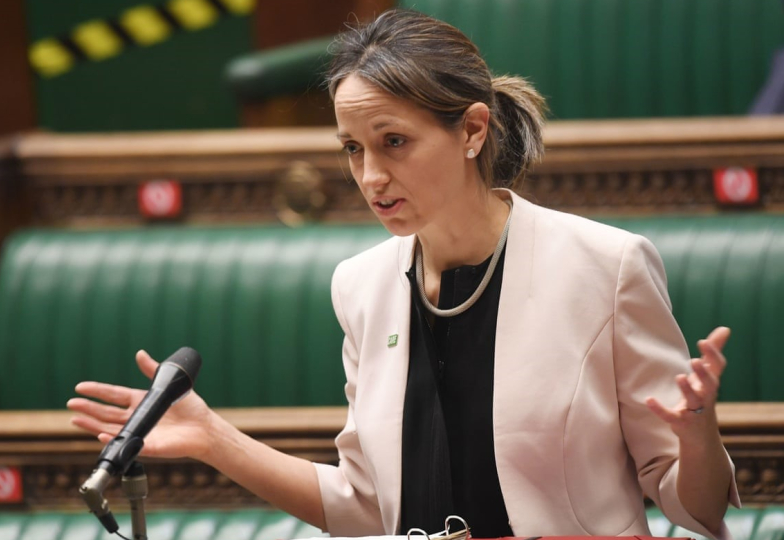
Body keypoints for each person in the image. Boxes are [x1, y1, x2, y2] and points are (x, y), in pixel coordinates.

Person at [68, 8, 739, 540]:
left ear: (472, 130)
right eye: (353, 150)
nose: (370, 177)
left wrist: (697, 434)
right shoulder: (360, 286)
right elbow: (365, 509)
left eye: (394, 143)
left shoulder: (606, 266)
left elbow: (695, 509)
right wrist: (216, 441)